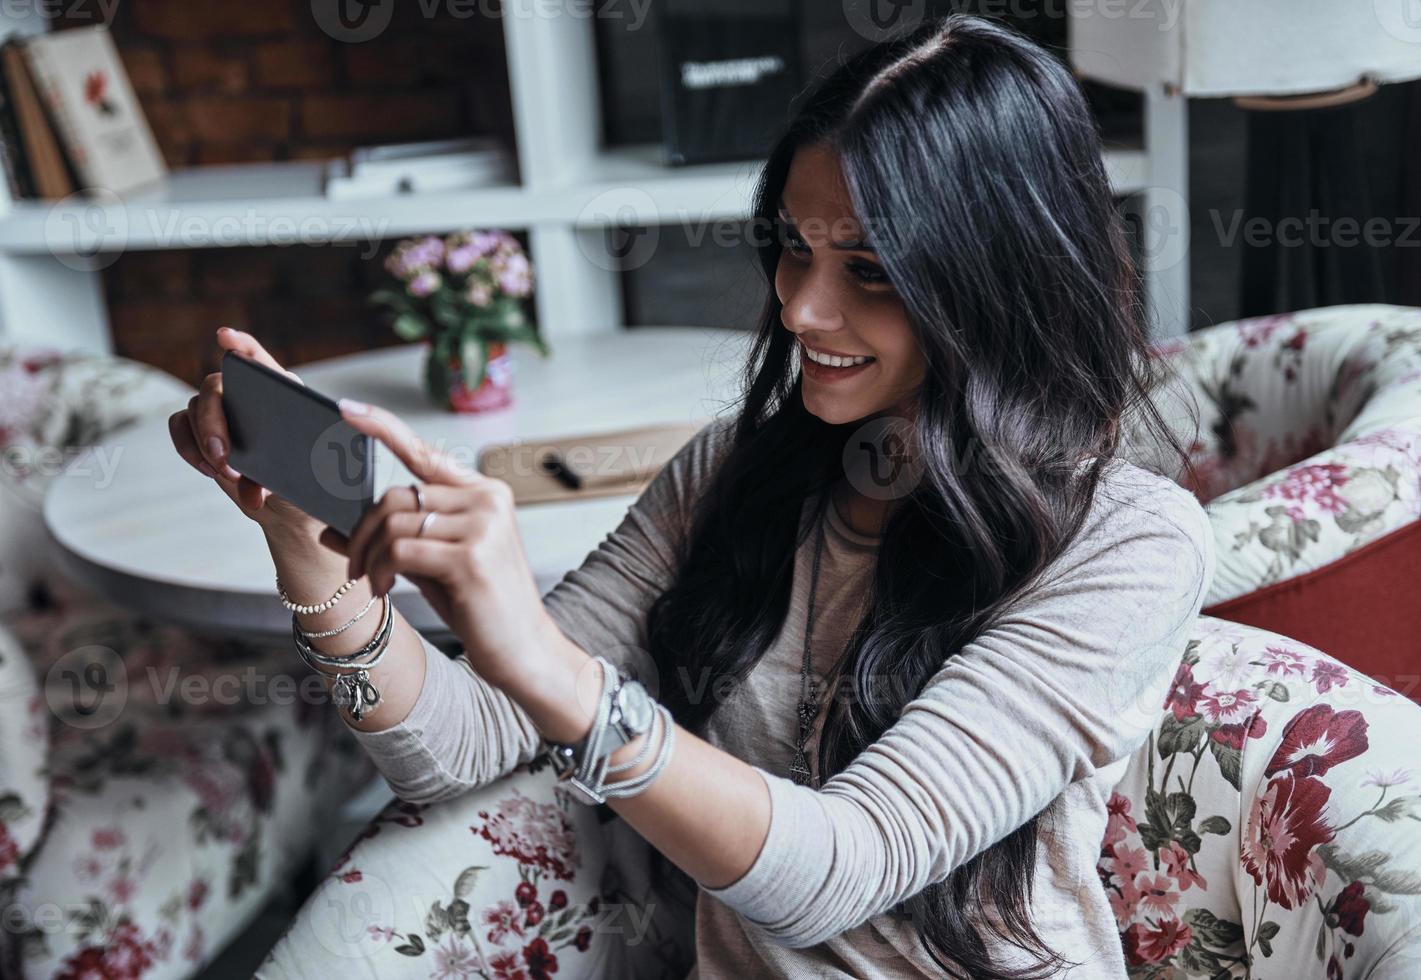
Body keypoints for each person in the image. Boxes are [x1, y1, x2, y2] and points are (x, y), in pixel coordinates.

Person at [169, 14, 1214, 979]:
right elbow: (457, 748)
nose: (800, 308)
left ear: (998, 278)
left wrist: (541, 658)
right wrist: (303, 544)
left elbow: (844, 866)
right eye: (793, 249)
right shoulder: (733, 470)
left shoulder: (1129, 543)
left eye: (870, 270)